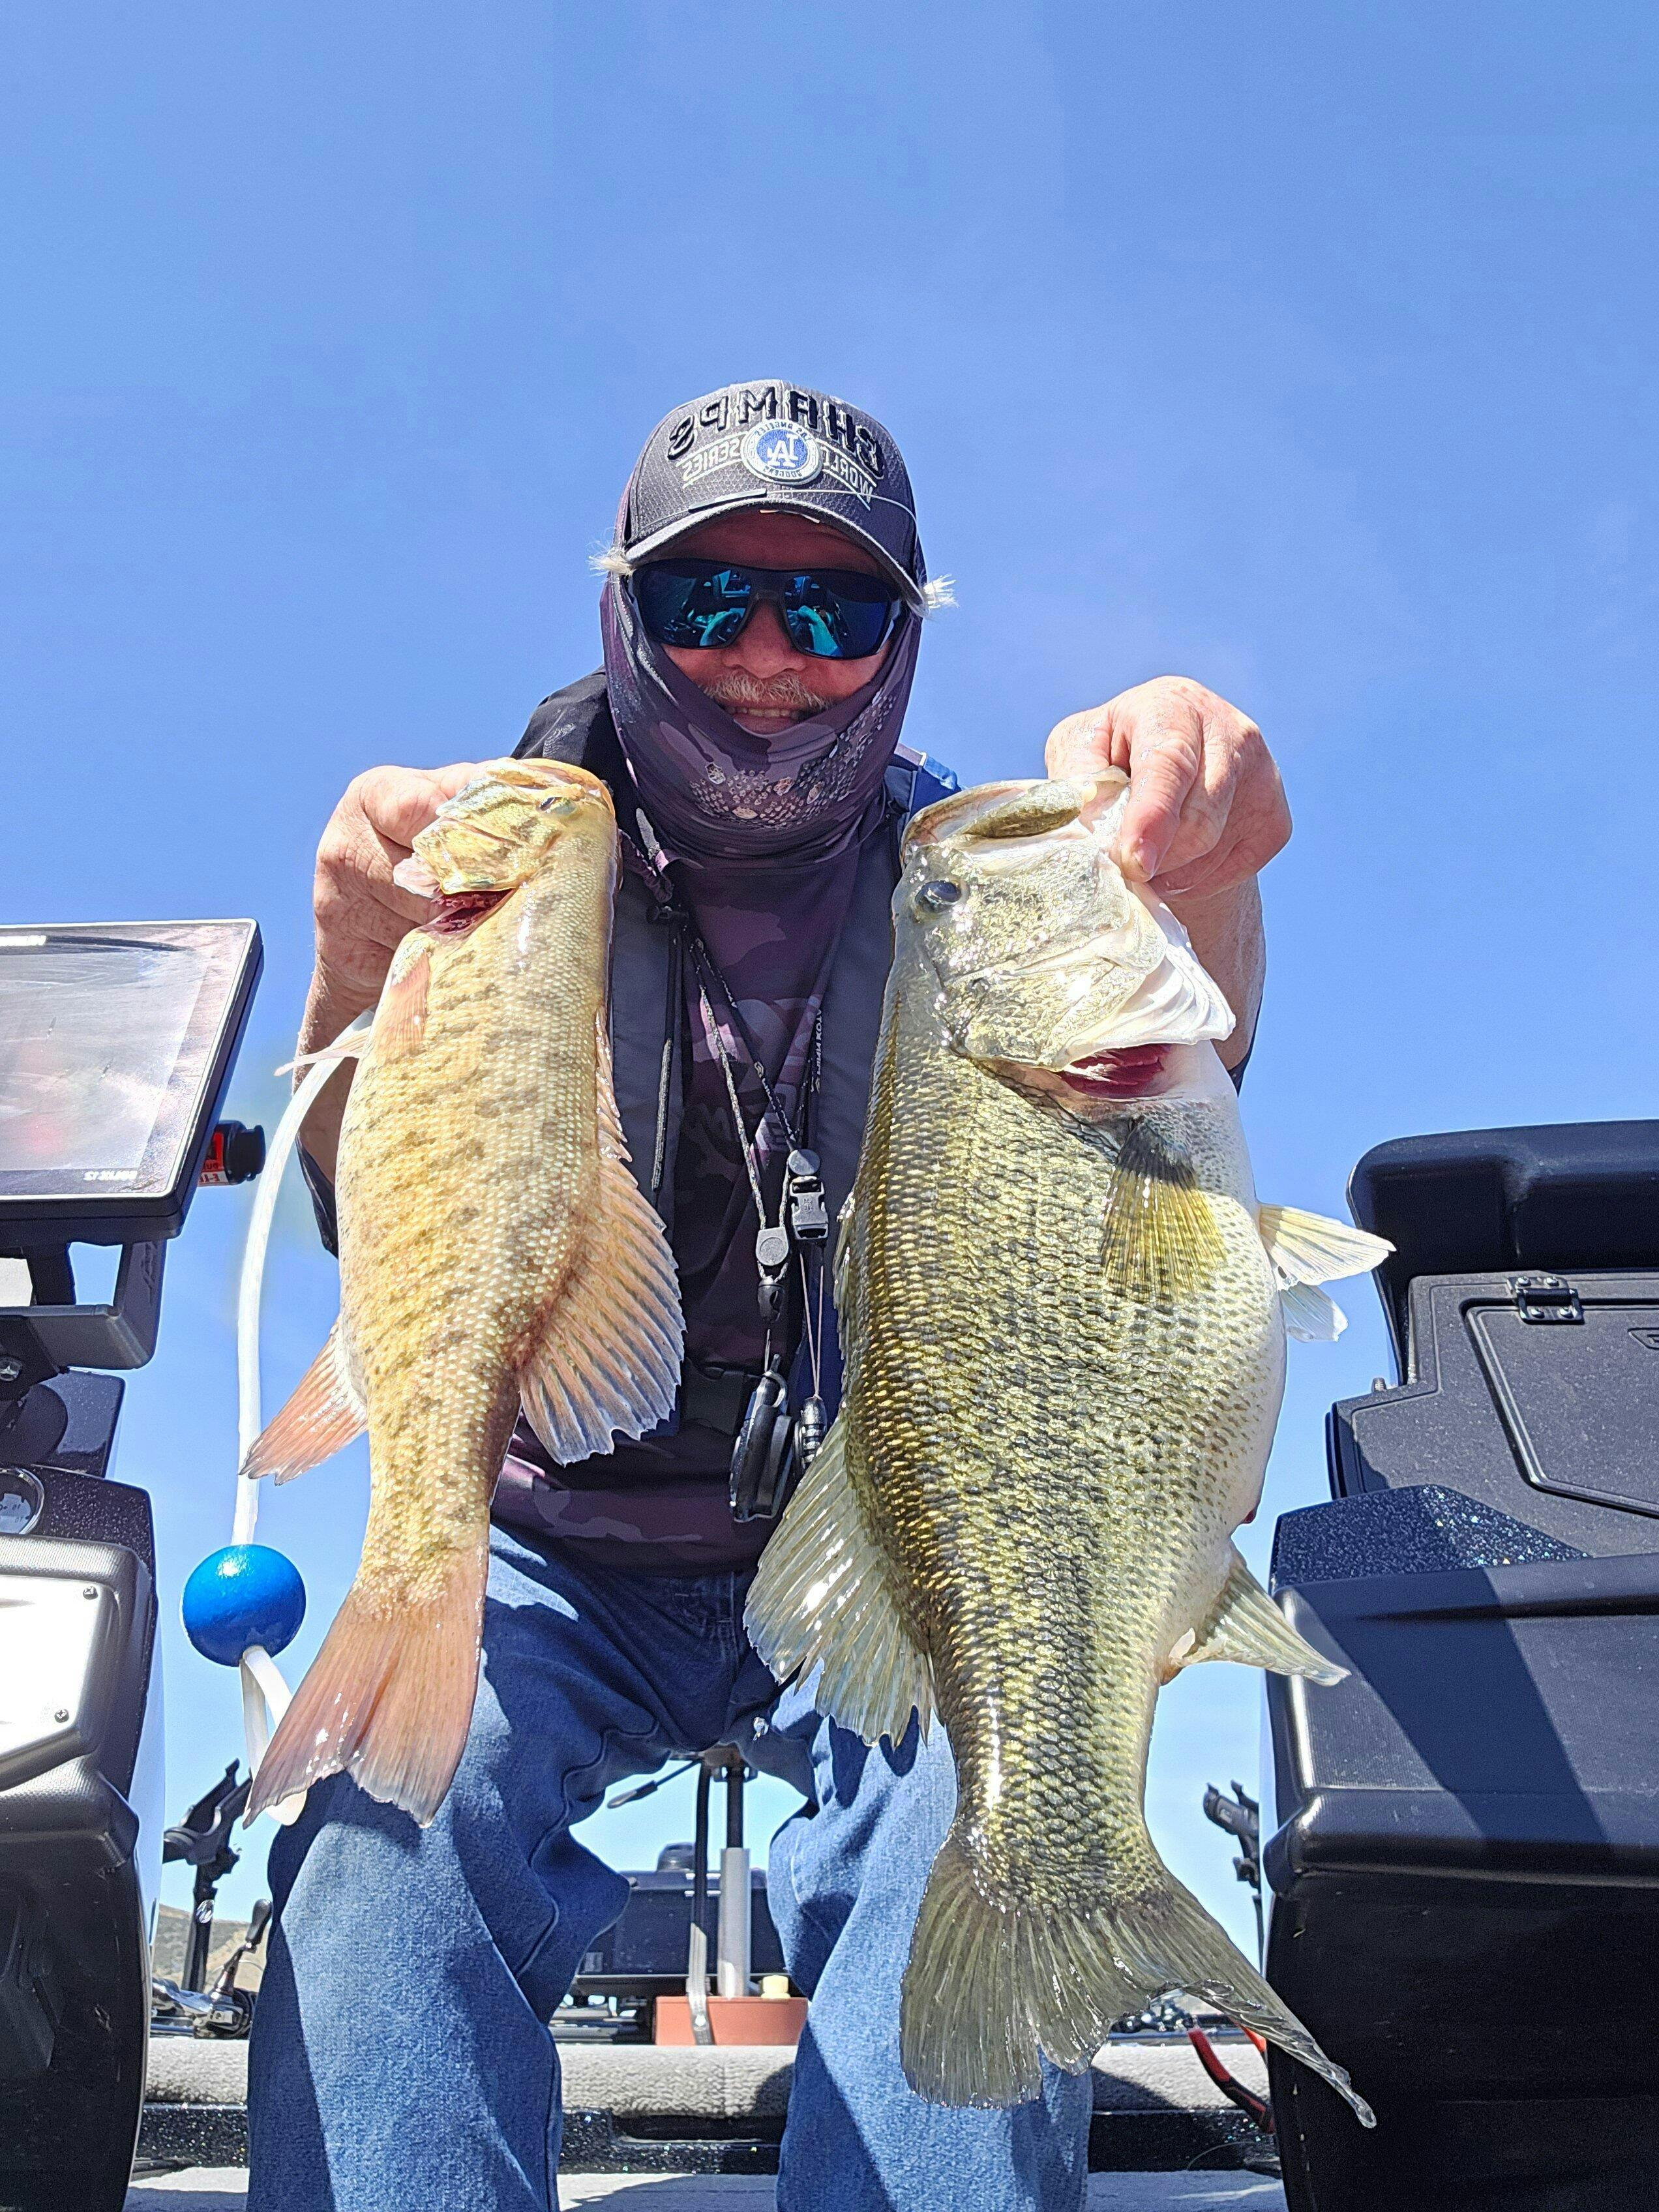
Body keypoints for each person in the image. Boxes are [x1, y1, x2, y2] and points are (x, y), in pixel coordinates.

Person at [248, 379, 1291, 2212]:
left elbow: (1166, 1121)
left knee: (977, 1828)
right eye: (705, 597)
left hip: (888, 1531)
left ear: (906, 631)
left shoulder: (979, 877)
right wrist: (352, 973)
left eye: (833, 607)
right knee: (380, 1846)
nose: (764, 658)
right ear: (620, 609)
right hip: (552, 1548)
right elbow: (380, 1221)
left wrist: (1204, 878)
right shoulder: (491, 862)